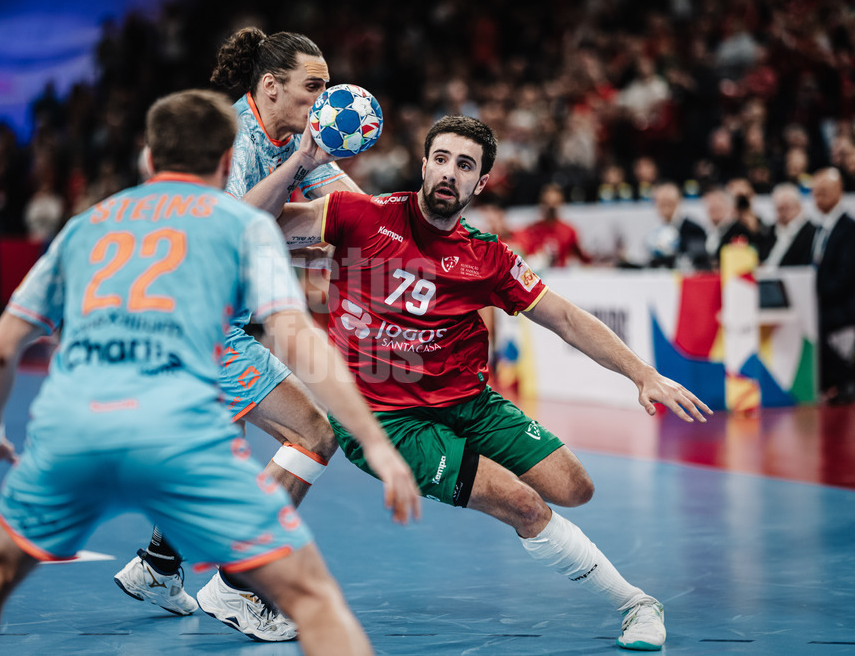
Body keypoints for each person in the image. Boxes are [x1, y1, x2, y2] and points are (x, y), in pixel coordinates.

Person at [0, 89, 420, 656]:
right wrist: (375, 442)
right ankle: (222, 587)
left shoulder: (86, 226)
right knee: (313, 599)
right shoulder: (242, 227)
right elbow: (296, 336)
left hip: (74, 432)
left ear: (147, 160)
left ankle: (160, 563)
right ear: (223, 163)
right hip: (176, 436)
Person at [247, 115, 713, 651]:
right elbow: (254, 227)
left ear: (480, 183)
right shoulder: (359, 215)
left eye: (464, 165)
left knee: (575, 489)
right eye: (441, 159)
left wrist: (642, 373)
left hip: (469, 400)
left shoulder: (487, 257)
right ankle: (636, 604)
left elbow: (564, 317)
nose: (449, 173)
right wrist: (300, 163)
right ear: (424, 165)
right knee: (524, 504)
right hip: (384, 417)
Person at [112, 27, 365, 642]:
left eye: (329, 89)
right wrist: (305, 163)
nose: (324, 102)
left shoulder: (290, 139)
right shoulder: (230, 138)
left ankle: (159, 565)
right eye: (314, 88)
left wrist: (410, 223)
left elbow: (353, 206)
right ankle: (238, 583)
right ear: (271, 86)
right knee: (312, 433)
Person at [809, 168, 855, 404]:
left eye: (824, 192)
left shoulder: (849, 228)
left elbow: (846, 276)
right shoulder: (821, 227)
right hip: (824, 301)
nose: (818, 199)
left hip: (843, 305)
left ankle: (846, 379)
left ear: (839, 192)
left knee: (811, 327)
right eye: (815, 193)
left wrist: (816, 296)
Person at [512, 184, 590, 269]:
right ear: (541, 204)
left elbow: (582, 257)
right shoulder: (532, 231)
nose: (551, 208)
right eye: (547, 203)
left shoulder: (568, 230)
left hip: (561, 276)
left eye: (555, 204)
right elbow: (523, 254)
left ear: (561, 203)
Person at [645, 181, 709, 269]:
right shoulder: (654, 232)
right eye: (661, 203)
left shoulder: (694, 230)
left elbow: (697, 261)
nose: (665, 207)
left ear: (679, 202)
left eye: (669, 202)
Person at [761, 182, 816, 267]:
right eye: (779, 209)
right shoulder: (770, 231)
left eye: (786, 208)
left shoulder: (811, 232)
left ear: (798, 206)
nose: (783, 214)